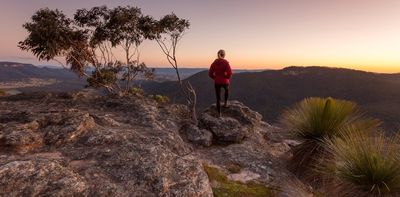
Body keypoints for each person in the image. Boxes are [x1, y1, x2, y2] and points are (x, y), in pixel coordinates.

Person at [208, 49, 232, 117]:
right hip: (225, 81)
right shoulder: (226, 63)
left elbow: (210, 74)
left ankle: (219, 114)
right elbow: (230, 73)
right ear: (224, 55)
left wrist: (215, 78)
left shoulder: (213, 63)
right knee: (227, 90)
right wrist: (226, 77)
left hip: (217, 82)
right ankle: (226, 103)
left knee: (218, 98)